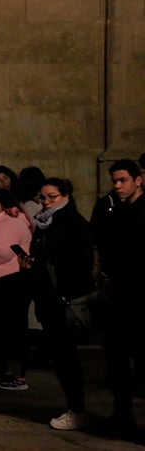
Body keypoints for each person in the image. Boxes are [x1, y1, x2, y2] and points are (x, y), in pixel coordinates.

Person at [27, 177, 95, 430]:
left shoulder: (72, 223)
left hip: (63, 299)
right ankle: (74, 407)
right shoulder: (45, 223)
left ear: (65, 196)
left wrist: (64, 292)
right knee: (60, 356)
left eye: (51, 197)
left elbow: (77, 264)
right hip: (48, 297)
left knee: (66, 357)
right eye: (42, 197)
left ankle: (77, 409)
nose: (45, 202)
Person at [92, 159, 145, 433]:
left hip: (137, 295)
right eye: (114, 181)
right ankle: (121, 413)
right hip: (119, 296)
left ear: (139, 179)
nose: (118, 186)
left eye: (123, 180)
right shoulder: (117, 210)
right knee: (116, 358)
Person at [0, 188, 33, 390]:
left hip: (9, 281)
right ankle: (2, 370)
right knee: (0, 329)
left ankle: (14, 373)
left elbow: (0, 251)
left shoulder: (11, 222)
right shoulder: (6, 221)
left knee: (11, 328)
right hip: (2, 279)